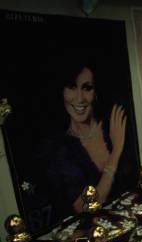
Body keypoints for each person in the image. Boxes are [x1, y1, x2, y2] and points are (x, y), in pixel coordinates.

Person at [47, 58, 126, 219]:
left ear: (95, 93)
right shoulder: (61, 150)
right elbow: (84, 208)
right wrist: (116, 152)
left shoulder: (111, 124)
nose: (79, 98)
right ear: (62, 92)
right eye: (72, 87)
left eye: (87, 88)